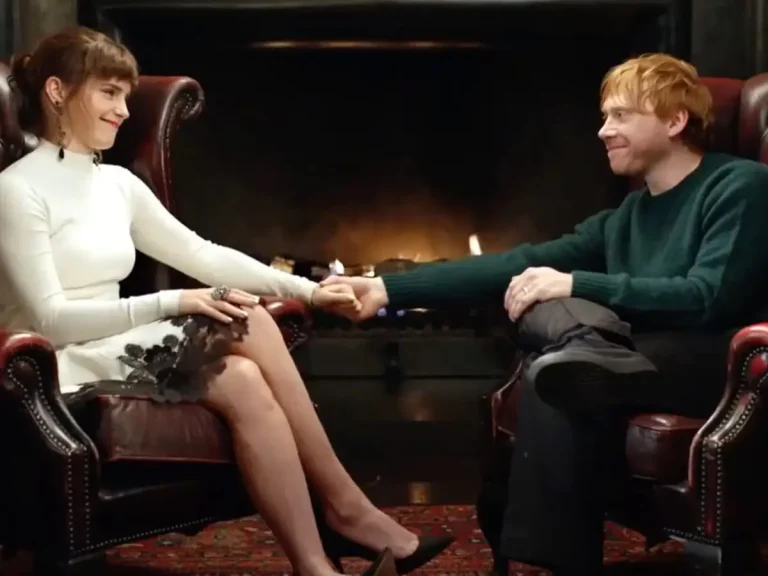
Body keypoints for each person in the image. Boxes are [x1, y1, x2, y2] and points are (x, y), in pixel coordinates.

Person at [0, 27, 454, 576]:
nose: (124, 110)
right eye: (109, 93)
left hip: (116, 345)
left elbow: (202, 254)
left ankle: (315, 566)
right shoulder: (17, 190)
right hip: (54, 367)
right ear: (56, 91)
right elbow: (50, 320)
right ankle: (346, 507)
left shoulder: (116, 184)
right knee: (250, 321)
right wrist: (174, 302)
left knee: (243, 378)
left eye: (126, 94)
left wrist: (310, 290)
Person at [322, 53, 768, 574]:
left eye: (621, 115)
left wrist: (576, 283)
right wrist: (385, 289)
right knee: (547, 322)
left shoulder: (740, 186)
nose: (604, 131)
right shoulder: (628, 216)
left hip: (717, 363)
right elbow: (516, 262)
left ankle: (544, 559)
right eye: (604, 117)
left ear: (675, 121)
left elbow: (706, 297)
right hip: (628, 355)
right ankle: (586, 350)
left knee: (554, 353)